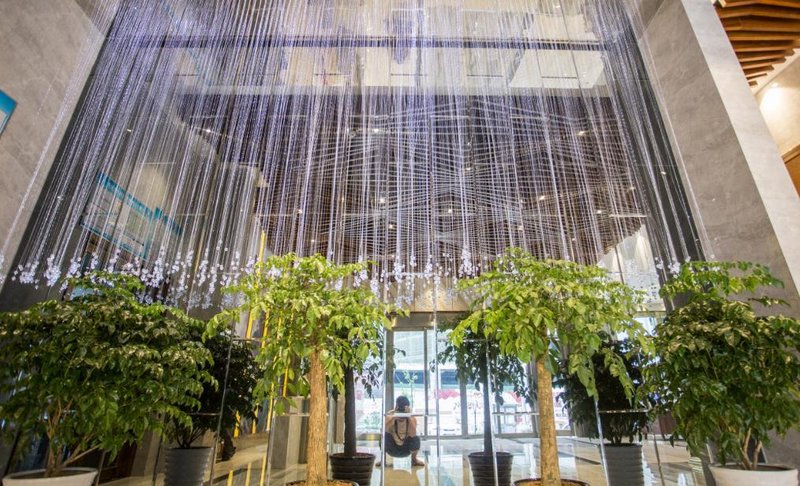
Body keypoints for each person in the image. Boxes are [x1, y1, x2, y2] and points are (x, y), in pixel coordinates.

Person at [380, 396, 424, 467]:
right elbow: (384, 430)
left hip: (406, 450)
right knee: (383, 437)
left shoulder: (411, 417)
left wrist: (408, 416)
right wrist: (394, 417)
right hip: (392, 449)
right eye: (400, 409)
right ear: (396, 407)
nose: (401, 415)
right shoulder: (390, 415)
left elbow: (413, 434)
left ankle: (414, 459)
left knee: (416, 439)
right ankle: (383, 460)